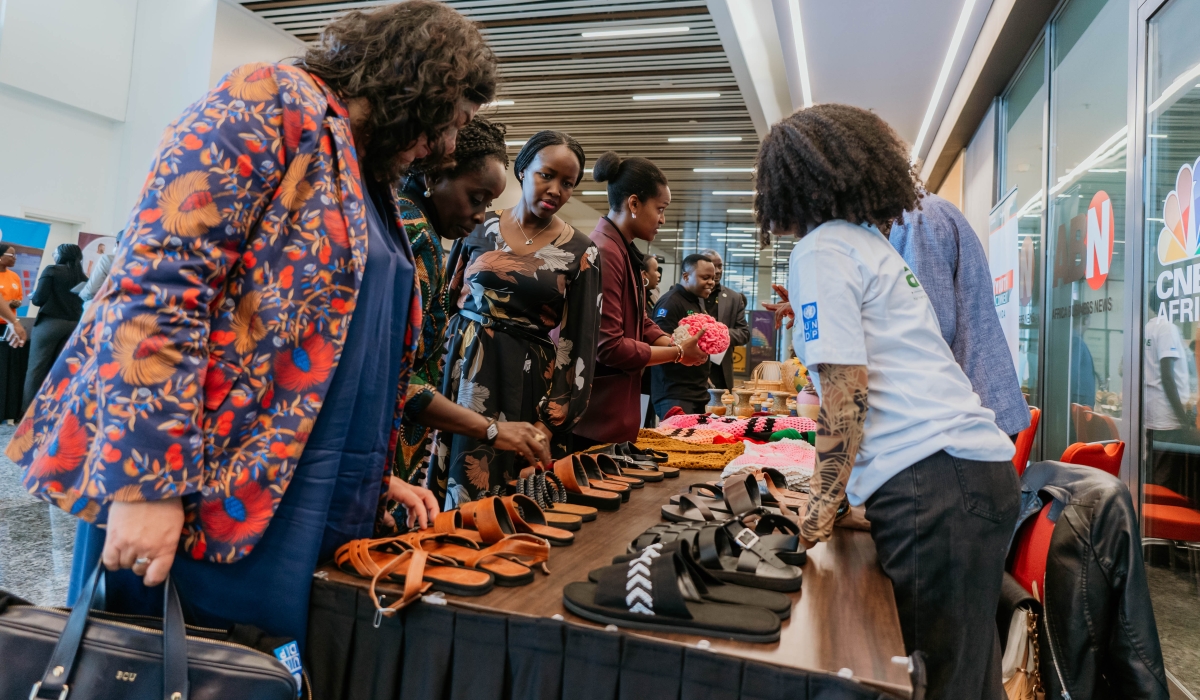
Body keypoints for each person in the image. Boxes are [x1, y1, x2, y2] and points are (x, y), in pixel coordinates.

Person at [11, 1, 509, 651]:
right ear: (421, 86)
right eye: (455, 121)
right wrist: (145, 486)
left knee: (241, 678)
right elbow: (160, 289)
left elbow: (330, 343)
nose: (446, 146)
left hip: (286, 499)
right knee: (153, 672)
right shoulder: (266, 100)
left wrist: (371, 473)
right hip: (191, 492)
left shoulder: (364, 173)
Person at [757, 103, 1017, 698]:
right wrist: (846, 497)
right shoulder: (869, 246)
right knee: (967, 675)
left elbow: (847, 394)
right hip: (971, 474)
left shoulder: (821, 250)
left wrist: (818, 507)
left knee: (930, 680)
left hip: (935, 483)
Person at [431, 130, 602, 508]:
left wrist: (549, 422)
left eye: (568, 184)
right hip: (461, 371)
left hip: (524, 380)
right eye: (547, 175)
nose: (556, 189)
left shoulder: (582, 251)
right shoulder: (478, 224)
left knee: (504, 495)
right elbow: (442, 303)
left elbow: (580, 346)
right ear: (523, 171)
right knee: (449, 484)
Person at [393, 116, 514, 485]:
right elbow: (397, 375)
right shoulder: (418, 239)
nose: (479, 217)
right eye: (476, 199)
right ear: (432, 177)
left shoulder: (395, 215)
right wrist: (489, 429)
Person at [575, 152, 708, 449]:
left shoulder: (620, 248)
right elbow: (608, 347)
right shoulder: (606, 252)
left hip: (610, 414)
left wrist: (674, 345)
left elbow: (640, 318)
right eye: (660, 209)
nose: (662, 219)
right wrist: (675, 354)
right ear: (633, 204)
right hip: (595, 419)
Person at [889, 193, 1031, 438]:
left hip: (968, 416)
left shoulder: (915, 222)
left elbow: (927, 333)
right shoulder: (928, 212)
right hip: (978, 406)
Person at [22, 243, 87, 414]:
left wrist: (33, 295)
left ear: (61, 255)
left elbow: (38, 300)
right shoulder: (83, 277)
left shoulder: (51, 270)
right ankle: (56, 412)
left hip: (50, 324)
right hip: (74, 325)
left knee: (36, 368)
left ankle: (29, 414)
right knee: (61, 370)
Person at [650, 253, 716, 418]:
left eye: (713, 278)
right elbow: (661, 343)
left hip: (697, 390)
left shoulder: (696, 301)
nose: (711, 282)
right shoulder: (670, 302)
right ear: (686, 276)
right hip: (675, 393)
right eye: (705, 277)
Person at [697, 248, 750, 391]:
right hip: (692, 370)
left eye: (720, 266)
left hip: (721, 373)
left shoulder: (734, 298)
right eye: (714, 266)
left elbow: (744, 333)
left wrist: (717, 334)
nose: (718, 270)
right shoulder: (687, 295)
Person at [0, 244, 28, 419]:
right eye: (11, 254)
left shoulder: (14, 276)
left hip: (8, 327)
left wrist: (13, 321)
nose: (15, 258)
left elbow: (17, 300)